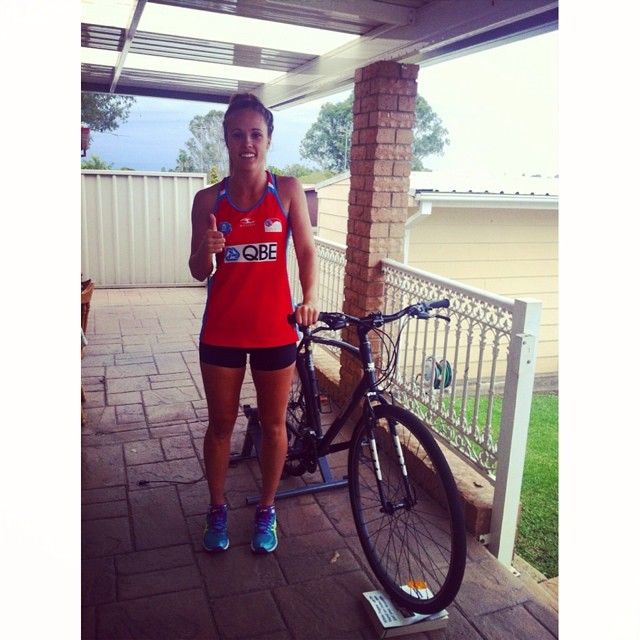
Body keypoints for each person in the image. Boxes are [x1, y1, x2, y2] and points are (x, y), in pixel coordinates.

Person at [188, 93, 319, 554]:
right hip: (222, 331)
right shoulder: (208, 199)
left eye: (256, 134)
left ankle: (267, 509)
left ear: (268, 140)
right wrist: (206, 249)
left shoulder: (288, 191)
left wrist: (309, 298)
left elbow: (306, 250)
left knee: (274, 424)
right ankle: (217, 508)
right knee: (220, 424)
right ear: (226, 139)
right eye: (238, 134)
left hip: (274, 331)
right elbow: (197, 271)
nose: (247, 143)